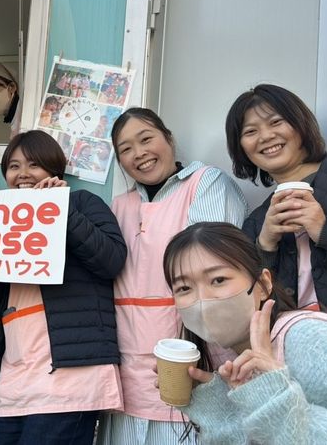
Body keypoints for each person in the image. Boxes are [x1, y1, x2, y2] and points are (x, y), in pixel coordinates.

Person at [163, 222, 327, 444]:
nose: (202, 300)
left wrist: (273, 395)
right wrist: (216, 408)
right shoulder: (223, 359)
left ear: (262, 285)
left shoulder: (309, 340)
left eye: (218, 280)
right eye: (184, 288)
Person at [104, 107, 247, 444]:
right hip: (127, 362)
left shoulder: (206, 183)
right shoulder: (119, 206)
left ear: (169, 138)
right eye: (126, 149)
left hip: (188, 353)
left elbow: (212, 266)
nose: (139, 153)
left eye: (146, 139)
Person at [0, 130, 127, 445]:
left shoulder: (82, 202)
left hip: (70, 378)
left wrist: (61, 209)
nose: (23, 174)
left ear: (54, 169)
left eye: (34, 164)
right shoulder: (5, 218)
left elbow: (111, 260)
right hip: (18, 377)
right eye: (14, 166)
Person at [225, 84, 327, 335]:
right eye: (250, 131)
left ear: (300, 123)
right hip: (298, 351)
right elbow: (247, 306)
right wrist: (265, 247)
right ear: (241, 148)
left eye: (276, 122)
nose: (265, 136)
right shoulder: (256, 222)